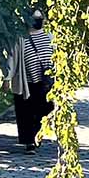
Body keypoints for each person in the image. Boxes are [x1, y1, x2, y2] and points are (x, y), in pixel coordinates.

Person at [5, 10, 54, 153]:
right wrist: (7, 78)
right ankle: (29, 141)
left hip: (45, 81)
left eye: (40, 18)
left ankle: (37, 135)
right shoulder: (21, 38)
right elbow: (12, 58)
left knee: (44, 109)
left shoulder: (49, 36)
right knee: (26, 112)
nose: (39, 21)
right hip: (26, 81)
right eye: (35, 18)